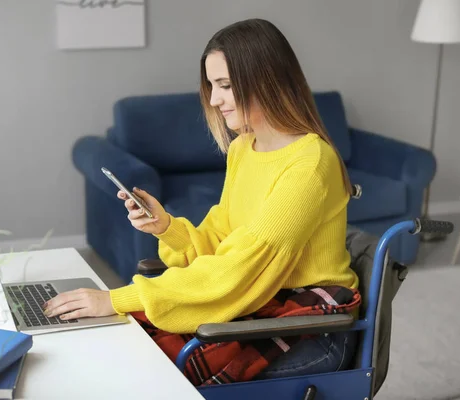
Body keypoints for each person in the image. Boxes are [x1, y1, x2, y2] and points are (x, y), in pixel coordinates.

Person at [43, 18, 361, 385]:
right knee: (131, 345)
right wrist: (167, 228)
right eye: (211, 86)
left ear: (267, 80)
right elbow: (224, 240)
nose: (213, 99)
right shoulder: (244, 147)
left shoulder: (310, 164)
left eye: (225, 85)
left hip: (312, 327)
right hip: (260, 299)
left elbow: (240, 268)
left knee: (155, 373)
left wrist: (117, 299)